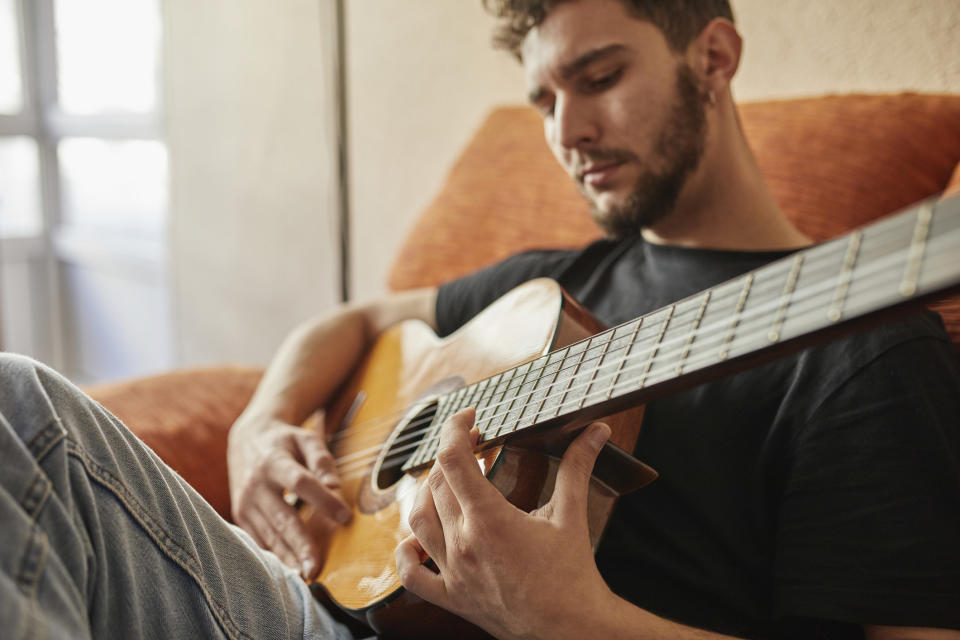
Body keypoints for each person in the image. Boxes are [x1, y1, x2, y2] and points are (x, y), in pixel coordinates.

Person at [2, 2, 958, 640]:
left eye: (599, 76)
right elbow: (362, 317)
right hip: (312, 607)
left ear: (713, 55)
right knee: (18, 403)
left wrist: (572, 620)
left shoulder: (869, 351)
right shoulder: (555, 285)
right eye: (545, 97)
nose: (566, 131)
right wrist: (261, 422)